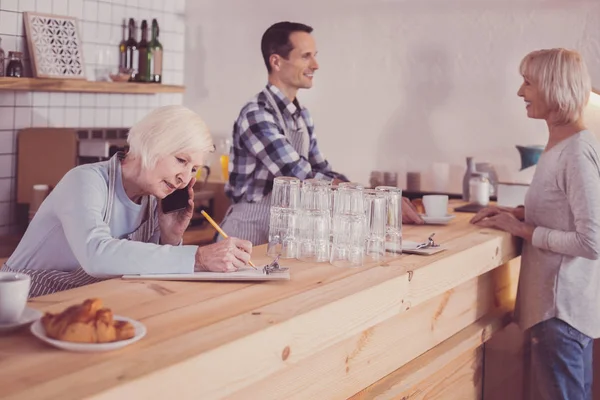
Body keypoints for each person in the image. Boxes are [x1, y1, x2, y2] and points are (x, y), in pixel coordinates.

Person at [2, 105, 253, 298]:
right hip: (22, 302)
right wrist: (197, 257)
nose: (184, 177)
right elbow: (96, 255)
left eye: (194, 169)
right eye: (181, 160)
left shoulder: (154, 198)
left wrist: (170, 237)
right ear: (153, 142)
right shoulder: (85, 181)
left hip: (80, 304)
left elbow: (149, 271)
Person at [471, 48, 600, 400]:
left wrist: (524, 231)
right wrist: (516, 216)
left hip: (561, 313)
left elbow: (591, 241)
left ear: (554, 88)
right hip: (560, 312)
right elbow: (566, 212)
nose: (520, 92)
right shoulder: (561, 143)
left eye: (528, 83)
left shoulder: (575, 150)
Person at [222, 21, 422, 245]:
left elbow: (321, 169)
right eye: (306, 56)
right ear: (276, 61)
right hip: (246, 232)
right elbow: (299, 175)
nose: (315, 65)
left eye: (314, 55)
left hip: (281, 232)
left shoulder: (301, 115)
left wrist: (374, 196)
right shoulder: (257, 115)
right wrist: (374, 200)